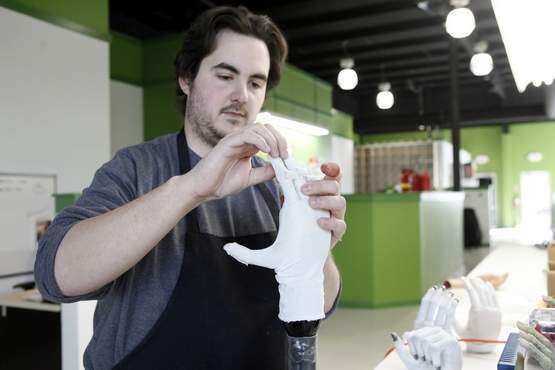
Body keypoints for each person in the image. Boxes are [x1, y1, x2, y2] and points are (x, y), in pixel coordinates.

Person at [34, 6, 345, 370]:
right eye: (225, 75)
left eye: (255, 82)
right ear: (187, 78)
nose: (241, 95)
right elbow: (57, 276)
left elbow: (321, 305)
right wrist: (193, 188)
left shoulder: (274, 184)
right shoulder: (137, 168)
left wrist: (315, 247)